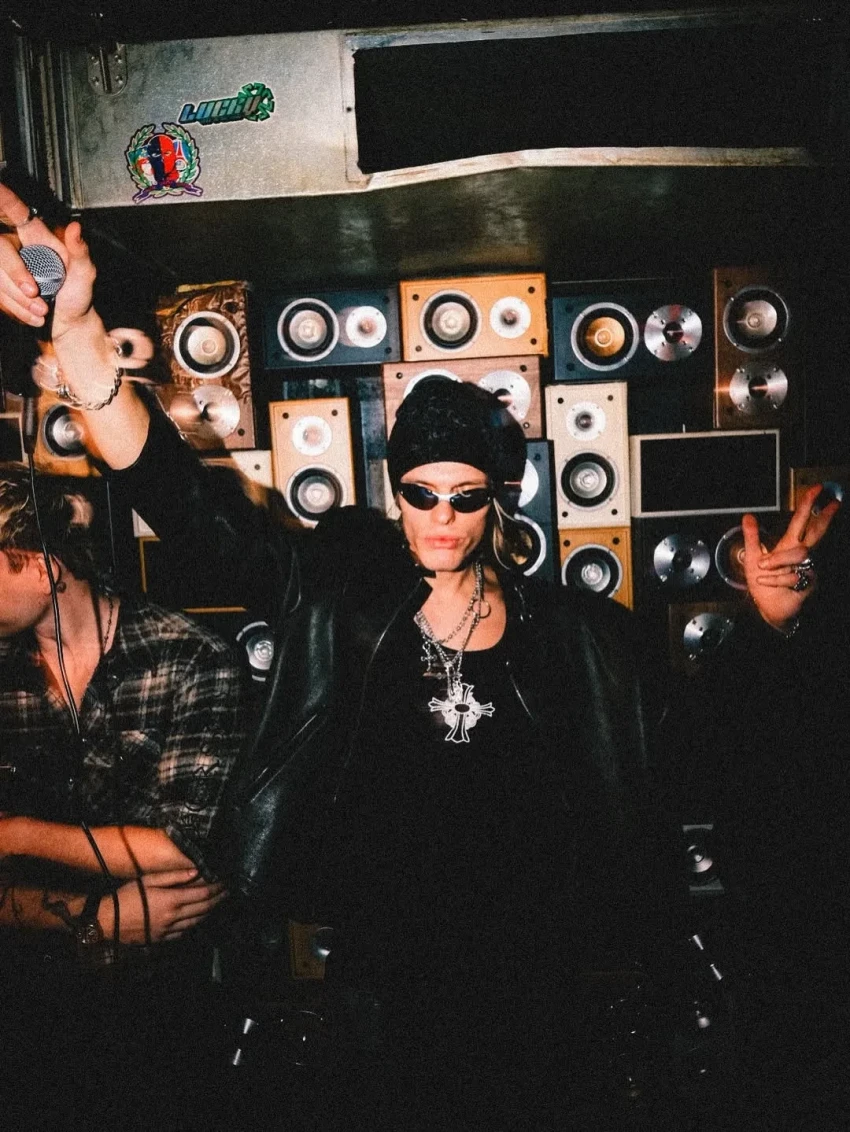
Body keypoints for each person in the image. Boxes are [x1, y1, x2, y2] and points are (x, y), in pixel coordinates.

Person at [0, 181, 832, 1128]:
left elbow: (695, 748)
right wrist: (79, 334)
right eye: (420, 493)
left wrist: (767, 625)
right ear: (395, 492)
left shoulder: (575, 637)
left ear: (497, 499)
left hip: (546, 995)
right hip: (383, 995)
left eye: (465, 496)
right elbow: (190, 513)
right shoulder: (337, 602)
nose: (441, 516)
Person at [0, 463, 249, 1130]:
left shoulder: (187, 657)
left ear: (43, 568)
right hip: (23, 1006)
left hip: (163, 1011)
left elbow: (184, 850)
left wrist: (16, 834)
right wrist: (94, 919)